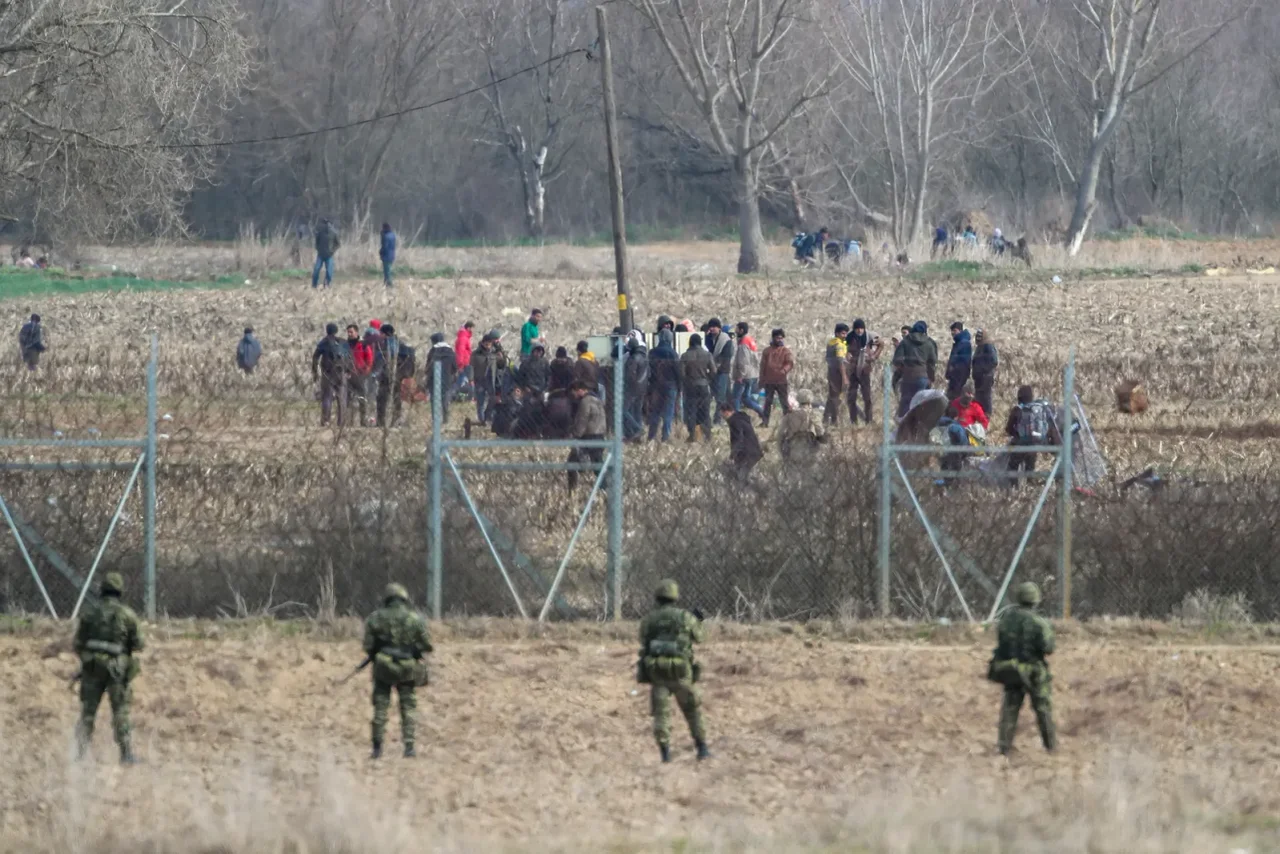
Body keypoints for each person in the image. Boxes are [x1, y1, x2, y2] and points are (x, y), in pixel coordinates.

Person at [636, 579, 709, 763]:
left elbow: (642, 639)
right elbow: (700, 637)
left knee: (661, 714)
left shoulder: (649, 619)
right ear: (675, 596)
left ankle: (665, 754)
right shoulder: (685, 617)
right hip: (681, 672)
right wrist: (697, 620)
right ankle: (702, 749)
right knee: (692, 709)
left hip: (657, 672)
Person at [74, 572, 143, 764]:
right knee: (120, 711)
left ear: (101, 590)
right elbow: (139, 643)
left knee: (87, 712)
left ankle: (79, 754)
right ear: (119, 591)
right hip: (117, 671)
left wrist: (89, 658)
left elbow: (78, 643)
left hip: (92, 669)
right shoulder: (127, 615)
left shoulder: (89, 613)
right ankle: (126, 754)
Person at [363, 582, 432, 759]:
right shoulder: (415, 619)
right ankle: (409, 747)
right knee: (408, 707)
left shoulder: (375, 618)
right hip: (407, 668)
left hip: (383, 667)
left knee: (380, 707)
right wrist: (413, 650)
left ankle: (377, 748)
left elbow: (368, 646)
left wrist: (379, 650)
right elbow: (427, 645)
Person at [989, 581, 1056, 755]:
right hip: (1034, 670)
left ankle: (1004, 747)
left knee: (1010, 708)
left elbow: (1001, 643)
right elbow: (1048, 647)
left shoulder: (1006, 619)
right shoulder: (1039, 622)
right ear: (1035, 600)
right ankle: (1051, 746)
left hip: (1012, 669)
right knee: (1042, 708)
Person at [1004, 385, 1061, 482]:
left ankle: (1013, 489)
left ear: (1019, 397)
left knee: (1012, 467)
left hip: (1021, 444)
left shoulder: (1017, 409)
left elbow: (1008, 430)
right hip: (1036, 443)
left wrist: (1017, 434)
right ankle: (1030, 486)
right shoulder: (1039, 409)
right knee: (1030, 468)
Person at [891, 321, 938, 418]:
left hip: (908, 377)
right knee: (921, 403)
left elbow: (897, 360)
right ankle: (919, 427)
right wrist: (931, 378)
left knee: (905, 403)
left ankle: (903, 426)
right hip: (923, 377)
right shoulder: (929, 343)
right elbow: (932, 363)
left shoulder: (906, 341)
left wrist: (904, 369)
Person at [567, 380, 606, 493]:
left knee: (571, 463)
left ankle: (572, 489)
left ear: (579, 390)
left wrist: (575, 435)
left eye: (574, 393)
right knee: (597, 463)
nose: (573, 396)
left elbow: (582, 421)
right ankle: (605, 487)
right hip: (599, 435)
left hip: (589, 436)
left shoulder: (585, 402)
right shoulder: (597, 399)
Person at [311, 322, 350, 427]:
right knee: (341, 397)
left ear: (326, 330)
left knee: (327, 397)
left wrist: (315, 371)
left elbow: (315, 356)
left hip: (328, 373)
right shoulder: (343, 342)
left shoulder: (324, 342)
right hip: (341, 373)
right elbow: (349, 356)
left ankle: (325, 421)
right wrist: (348, 371)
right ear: (336, 331)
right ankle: (341, 422)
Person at [375, 324, 413, 428]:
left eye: (381, 333)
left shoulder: (385, 344)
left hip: (387, 375)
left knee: (381, 398)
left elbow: (382, 360)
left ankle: (380, 422)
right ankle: (395, 421)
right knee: (397, 399)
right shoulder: (402, 344)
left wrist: (376, 373)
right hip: (400, 376)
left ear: (384, 334)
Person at [680, 332, 715, 442]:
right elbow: (714, 370)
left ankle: (692, 435)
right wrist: (707, 379)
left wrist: (687, 382)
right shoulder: (707, 354)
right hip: (704, 386)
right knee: (705, 411)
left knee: (692, 411)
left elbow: (681, 373)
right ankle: (707, 435)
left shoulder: (685, 356)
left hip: (690, 387)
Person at [845, 319, 881, 425]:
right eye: (857, 329)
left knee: (867, 397)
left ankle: (869, 421)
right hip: (852, 370)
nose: (860, 331)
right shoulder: (849, 337)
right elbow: (843, 347)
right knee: (852, 397)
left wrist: (874, 356)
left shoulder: (869, 336)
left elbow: (881, 344)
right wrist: (847, 354)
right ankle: (853, 421)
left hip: (865, 370)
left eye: (861, 328)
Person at [647, 329, 680, 442]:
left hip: (656, 385)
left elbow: (648, 370)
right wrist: (679, 386)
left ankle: (651, 435)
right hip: (671, 385)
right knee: (669, 411)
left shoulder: (652, 353)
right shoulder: (672, 353)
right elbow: (678, 372)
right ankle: (665, 436)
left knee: (655, 411)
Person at [758, 328, 795, 427]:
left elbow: (790, 363)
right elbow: (763, 366)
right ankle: (765, 422)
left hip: (781, 381)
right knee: (767, 403)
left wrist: (783, 371)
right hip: (769, 381)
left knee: (784, 403)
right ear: (773, 338)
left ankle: (789, 423)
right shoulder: (767, 351)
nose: (779, 340)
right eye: (777, 338)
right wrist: (761, 380)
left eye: (781, 338)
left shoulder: (785, 351)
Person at [776, 389, 825, 460]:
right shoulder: (813, 414)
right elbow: (820, 431)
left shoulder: (790, 414)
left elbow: (780, 433)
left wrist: (780, 451)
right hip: (808, 446)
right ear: (810, 400)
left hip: (792, 446)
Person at [704, 318, 735, 426]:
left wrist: (715, 366)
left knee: (721, 397)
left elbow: (725, 357)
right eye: (710, 326)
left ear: (719, 328)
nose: (712, 329)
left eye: (714, 326)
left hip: (722, 371)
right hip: (711, 371)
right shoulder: (707, 339)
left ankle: (718, 420)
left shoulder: (725, 340)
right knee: (720, 396)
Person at [731, 321, 765, 417]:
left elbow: (743, 361)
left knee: (736, 397)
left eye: (737, 329)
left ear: (741, 330)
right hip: (752, 374)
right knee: (745, 399)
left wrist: (740, 375)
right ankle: (761, 411)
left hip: (744, 375)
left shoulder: (743, 343)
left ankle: (736, 417)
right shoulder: (750, 340)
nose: (735, 331)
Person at [721, 402, 763, 478]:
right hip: (754, 451)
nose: (722, 416)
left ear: (726, 412)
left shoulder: (734, 422)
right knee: (743, 474)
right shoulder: (740, 418)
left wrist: (732, 456)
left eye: (722, 414)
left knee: (740, 476)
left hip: (747, 453)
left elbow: (738, 439)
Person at [424, 332, 458, 422]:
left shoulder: (432, 352)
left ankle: (435, 420)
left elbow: (427, 367)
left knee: (434, 401)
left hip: (433, 380)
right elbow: (455, 367)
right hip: (447, 379)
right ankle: (446, 419)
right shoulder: (450, 352)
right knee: (445, 400)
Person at [471, 333, 504, 424]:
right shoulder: (476, 354)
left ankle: (488, 417)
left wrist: (501, 357)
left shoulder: (494, 353)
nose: (487, 346)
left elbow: (501, 365)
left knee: (492, 400)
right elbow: (471, 367)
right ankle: (482, 420)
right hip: (479, 381)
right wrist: (471, 379)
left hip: (491, 381)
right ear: (482, 343)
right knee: (480, 402)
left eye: (489, 344)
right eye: (486, 343)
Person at [345, 324, 374, 425]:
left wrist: (365, 371)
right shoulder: (345, 344)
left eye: (351, 332)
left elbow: (369, 359)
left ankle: (363, 420)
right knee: (347, 399)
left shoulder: (363, 344)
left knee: (362, 398)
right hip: (348, 375)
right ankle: (348, 422)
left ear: (356, 332)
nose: (349, 334)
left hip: (360, 375)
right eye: (348, 332)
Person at [623, 332, 649, 441]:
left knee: (623, 410)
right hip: (643, 387)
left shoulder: (633, 359)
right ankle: (637, 436)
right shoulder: (644, 357)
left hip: (632, 388)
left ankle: (637, 429)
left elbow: (630, 375)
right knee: (637, 411)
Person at [824, 323, 850, 426]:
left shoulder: (831, 343)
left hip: (831, 370)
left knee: (831, 395)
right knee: (836, 397)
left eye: (846, 333)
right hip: (838, 372)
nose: (845, 335)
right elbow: (840, 362)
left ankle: (826, 418)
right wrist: (844, 377)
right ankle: (835, 421)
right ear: (837, 333)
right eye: (843, 333)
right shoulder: (839, 345)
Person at [972, 329, 999, 419]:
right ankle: (980, 415)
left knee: (985, 397)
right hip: (979, 377)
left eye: (980, 337)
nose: (978, 339)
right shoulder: (979, 347)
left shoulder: (988, 346)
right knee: (979, 397)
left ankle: (987, 415)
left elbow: (994, 361)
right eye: (977, 337)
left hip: (986, 377)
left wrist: (983, 370)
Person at [945, 321, 973, 401]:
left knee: (955, 397)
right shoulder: (959, 342)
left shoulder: (964, 343)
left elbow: (964, 361)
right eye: (952, 331)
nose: (952, 333)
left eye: (955, 330)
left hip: (958, 376)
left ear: (960, 331)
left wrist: (953, 369)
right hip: (956, 375)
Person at [312, 218, 340, 288]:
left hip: (329, 255)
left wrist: (332, 251)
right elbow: (316, 242)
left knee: (329, 272)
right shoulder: (320, 232)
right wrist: (318, 249)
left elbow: (338, 244)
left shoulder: (333, 233)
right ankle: (314, 285)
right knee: (316, 270)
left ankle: (327, 283)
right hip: (321, 255)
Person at [453, 321, 475, 396]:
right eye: (472, 328)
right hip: (464, 364)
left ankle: (457, 395)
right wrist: (460, 365)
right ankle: (453, 395)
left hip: (465, 363)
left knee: (463, 380)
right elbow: (460, 352)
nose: (473, 330)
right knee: (462, 381)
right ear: (468, 328)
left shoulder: (465, 337)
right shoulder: (463, 338)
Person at [379, 223, 397, 287]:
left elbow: (385, 247)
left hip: (386, 255)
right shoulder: (392, 235)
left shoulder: (385, 236)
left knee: (386, 271)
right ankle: (387, 283)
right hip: (392, 254)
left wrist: (381, 252)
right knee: (389, 269)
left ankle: (389, 284)